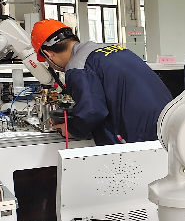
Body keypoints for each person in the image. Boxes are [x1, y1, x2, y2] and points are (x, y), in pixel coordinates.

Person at [31, 19, 173, 146]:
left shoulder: (78, 66)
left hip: (141, 134)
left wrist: (72, 129)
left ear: (48, 54)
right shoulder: (113, 48)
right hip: (169, 120)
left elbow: (92, 111)